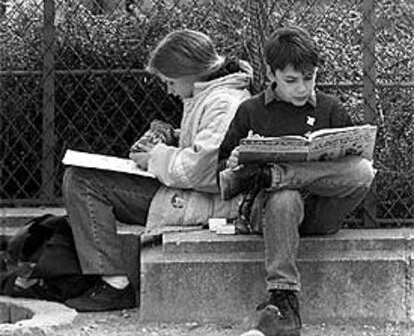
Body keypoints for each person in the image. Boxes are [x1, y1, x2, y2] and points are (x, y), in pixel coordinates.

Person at [62, 29, 253, 312]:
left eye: (170, 81)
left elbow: (204, 170)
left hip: (206, 202)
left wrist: (154, 156)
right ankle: (111, 282)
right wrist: (171, 136)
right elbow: (206, 146)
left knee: (83, 182)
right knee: (81, 177)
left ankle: (115, 286)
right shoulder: (211, 94)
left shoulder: (223, 102)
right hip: (192, 193)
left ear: (191, 73)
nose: (169, 90)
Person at [217, 26, 376, 336]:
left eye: (309, 78)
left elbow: (355, 167)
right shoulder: (250, 111)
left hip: (320, 211)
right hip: (269, 213)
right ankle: (284, 300)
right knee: (285, 196)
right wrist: (235, 162)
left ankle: (276, 176)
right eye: (291, 80)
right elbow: (221, 172)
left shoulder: (330, 108)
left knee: (362, 171)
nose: (302, 88)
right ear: (271, 73)